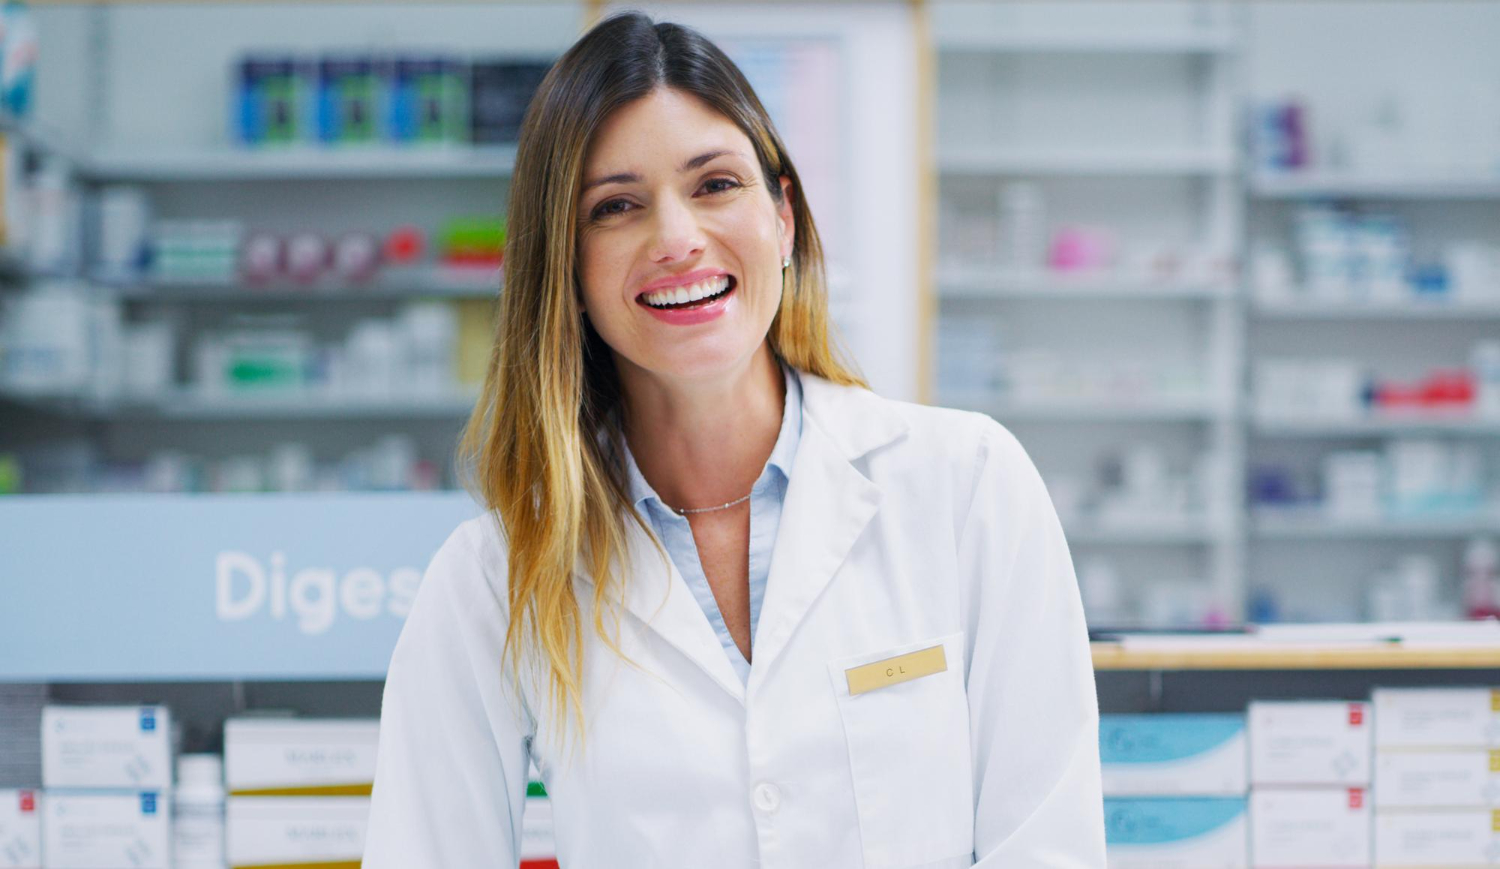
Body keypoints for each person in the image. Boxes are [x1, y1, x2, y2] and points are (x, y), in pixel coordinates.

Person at [363, 12, 1104, 868]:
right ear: (564, 269)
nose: (676, 238)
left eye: (715, 185)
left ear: (784, 220)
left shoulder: (967, 486)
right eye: (615, 206)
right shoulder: (495, 578)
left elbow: (1047, 845)